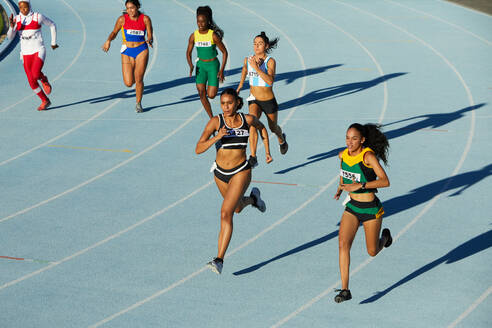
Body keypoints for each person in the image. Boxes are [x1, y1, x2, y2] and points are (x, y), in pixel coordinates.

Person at [195, 88, 273, 274]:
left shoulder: (247, 120)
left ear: (237, 103)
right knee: (236, 208)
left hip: (241, 171)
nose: (226, 107)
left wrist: (267, 152)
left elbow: (262, 129)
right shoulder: (216, 122)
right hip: (220, 173)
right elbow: (198, 148)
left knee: (225, 212)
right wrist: (217, 137)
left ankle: (219, 259)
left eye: (229, 103)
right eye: (222, 103)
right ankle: (254, 199)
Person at [333, 123, 393, 303]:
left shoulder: (368, 157)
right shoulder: (342, 155)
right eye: (347, 138)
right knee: (343, 244)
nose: (350, 142)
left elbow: (385, 181)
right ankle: (345, 289)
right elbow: (344, 173)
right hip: (352, 207)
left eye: (354, 139)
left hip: (370, 210)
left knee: (372, 251)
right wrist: (340, 187)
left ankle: (386, 239)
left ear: (362, 140)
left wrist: (361, 185)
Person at [236, 31, 288, 165]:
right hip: (254, 99)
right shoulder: (248, 60)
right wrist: (241, 84)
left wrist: (257, 69)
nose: (256, 46)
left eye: (260, 44)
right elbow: (244, 69)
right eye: (255, 44)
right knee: (252, 123)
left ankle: (281, 139)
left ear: (266, 46)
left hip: (268, 101)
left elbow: (270, 81)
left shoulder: (270, 62)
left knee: (273, 128)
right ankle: (253, 156)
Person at [102, 0, 153, 113]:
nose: (130, 11)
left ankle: (138, 103)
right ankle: (135, 74)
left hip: (141, 50)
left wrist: (150, 40)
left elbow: (150, 34)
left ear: (138, 7)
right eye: (127, 8)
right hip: (127, 51)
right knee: (129, 83)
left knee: (139, 79)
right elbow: (114, 32)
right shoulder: (122, 19)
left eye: (132, 8)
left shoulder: (145, 19)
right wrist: (108, 40)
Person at [7, 0, 58, 111]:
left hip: (38, 49)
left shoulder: (37, 17)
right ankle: (45, 100)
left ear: (29, 6)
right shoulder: (17, 19)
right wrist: (12, 26)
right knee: (31, 81)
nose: (24, 10)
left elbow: (52, 25)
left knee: (35, 74)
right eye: (21, 8)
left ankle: (44, 79)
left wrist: (53, 43)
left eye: (26, 7)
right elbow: (10, 37)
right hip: (25, 53)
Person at [186, 6, 228, 119]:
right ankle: (211, 118)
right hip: (201, 66)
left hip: (213, 65)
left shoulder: (213, 35)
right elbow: (188, 52)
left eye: (203, 21)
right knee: (201, 93)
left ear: (208, 21)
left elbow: (225, 52)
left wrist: (222, 70)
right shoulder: (194, 36)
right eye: (198, 21)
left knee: (211, 95)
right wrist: (190, 65)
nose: (200, 24)